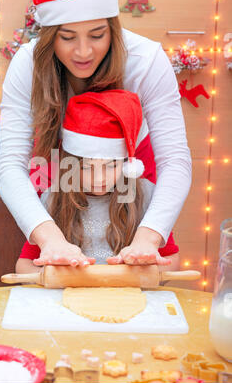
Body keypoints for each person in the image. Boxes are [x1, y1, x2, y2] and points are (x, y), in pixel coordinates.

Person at [0, 0, 191, 269]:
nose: (84, 52)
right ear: (49, 36)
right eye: (67, 37)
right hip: (59, 160)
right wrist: (50, 240)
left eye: (97, 35)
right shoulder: (28, 64)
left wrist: (148, 239)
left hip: (131, 162)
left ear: (113, 28)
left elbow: (175, 160)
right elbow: (10, 163)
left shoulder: (146, 60)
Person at [15, 90, 179, 275]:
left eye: (111, 166)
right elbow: (23, 266)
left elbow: (172, 260)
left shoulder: (148, 196)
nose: (100, 178)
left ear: (126, 164)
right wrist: (55, 275)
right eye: (86, 167)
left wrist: (143, 271)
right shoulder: (53, 199)